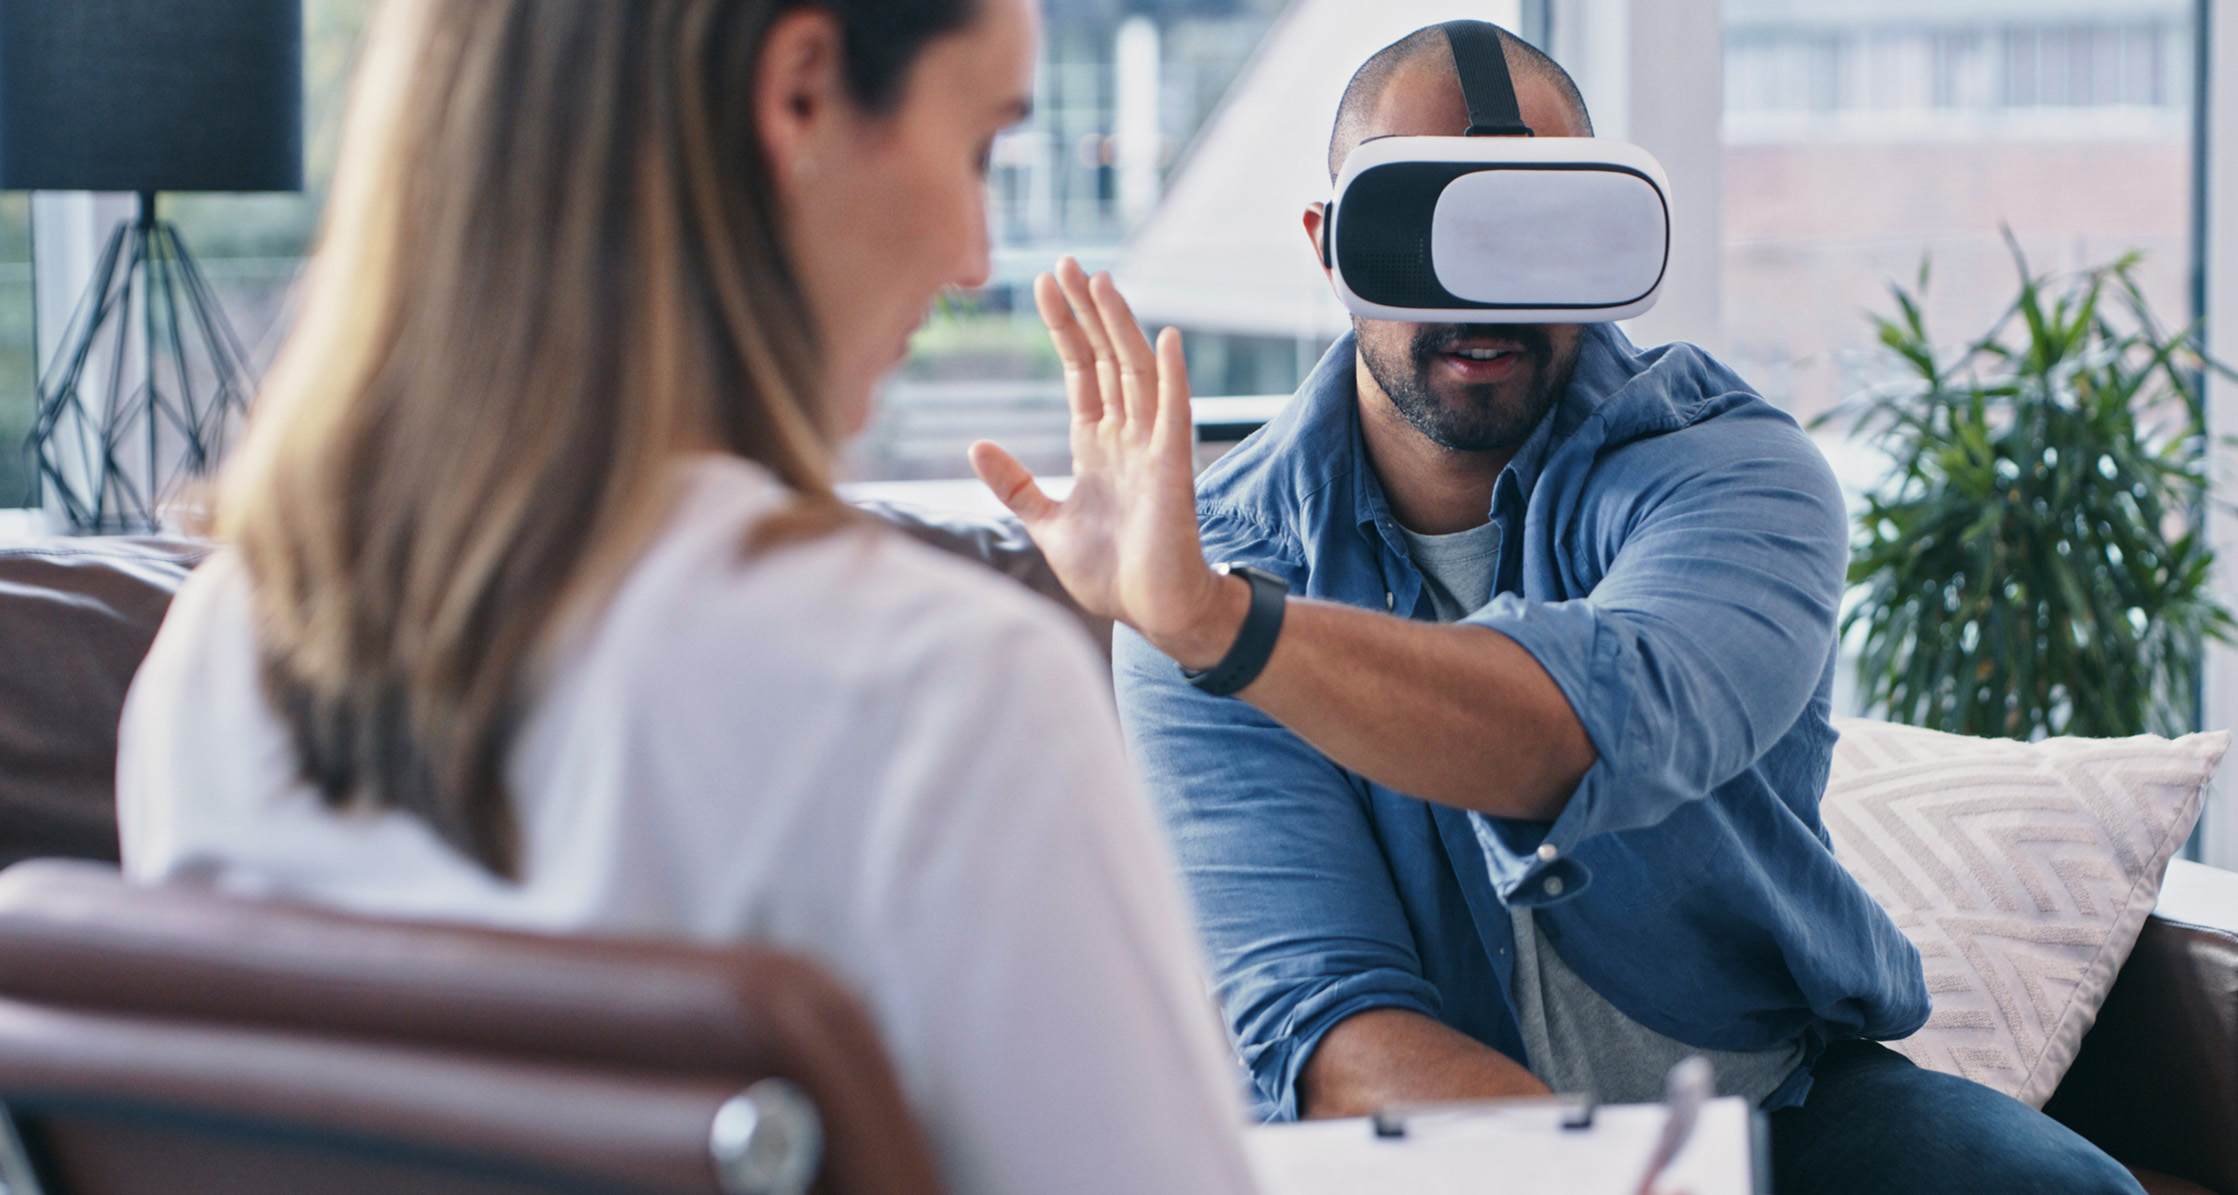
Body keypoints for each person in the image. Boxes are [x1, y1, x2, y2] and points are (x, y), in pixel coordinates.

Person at [969, 23, 2144, 1195]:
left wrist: (1230, 632)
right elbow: (1327, 1027)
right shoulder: (1212, 562)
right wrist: (1612, 1180)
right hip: (1426, 1146)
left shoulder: (1733, 472)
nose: (1484, 292)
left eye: (1537, 231)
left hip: (1769, 1099)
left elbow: (1588, 727)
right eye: (1429, 230)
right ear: (1333, 248)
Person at [113, 3, 1259, 1193]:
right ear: (800, 93)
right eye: (978, 151)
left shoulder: (215, 663)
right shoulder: (938, 698)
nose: (976, 257)